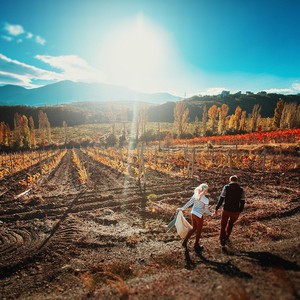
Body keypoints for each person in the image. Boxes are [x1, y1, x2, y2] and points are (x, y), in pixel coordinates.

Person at [177, 183, 213, 251]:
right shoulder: (206, 199)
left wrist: (182, 208)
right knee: (199, 230)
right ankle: (196, 245)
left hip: (193, 213)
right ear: (205, 191)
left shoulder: (195, 195)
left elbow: (189, 203)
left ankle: (184, 242)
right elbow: (206, 210)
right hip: (199, 216)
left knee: (193, 228)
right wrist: (211, 214)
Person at [214, 175, 245, 248]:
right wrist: (240, 210)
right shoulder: (241, 189)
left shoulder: (226, 187)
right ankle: (227, 237)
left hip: (226, 210)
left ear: (230, 180)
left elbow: (221, 198)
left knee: (223, 225)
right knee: (230, 224)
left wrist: (217, 208)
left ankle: (222, 241)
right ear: (237, 181)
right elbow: (243, 201)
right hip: (235, 211)